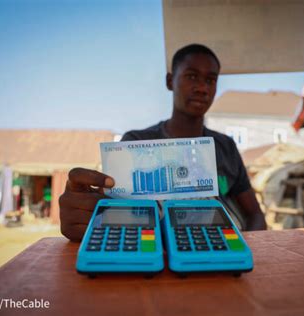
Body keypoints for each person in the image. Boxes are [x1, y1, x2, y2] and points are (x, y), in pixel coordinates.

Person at [60, 44, 266, 242]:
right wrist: (89, 217)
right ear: (170, 81)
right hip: (160, 258)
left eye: (211, 80)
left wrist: (246, 245)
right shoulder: (135, 143)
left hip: (221, 252)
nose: (202, 88)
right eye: (191, 76)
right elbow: (117, 217)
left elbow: (255, 214)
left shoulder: (225, 146)